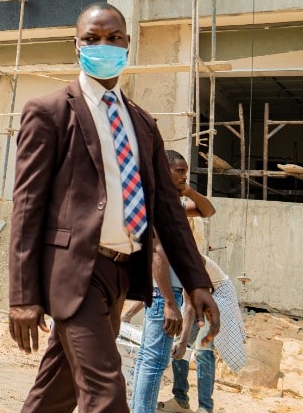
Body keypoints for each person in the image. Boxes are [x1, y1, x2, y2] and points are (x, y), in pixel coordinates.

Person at [8, 2, 220, 412]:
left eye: (112, 38)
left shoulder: (142, 122)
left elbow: (167, 210)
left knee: (58, 390)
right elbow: (27, 208)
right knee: (106, 394)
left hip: (124, 271)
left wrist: (196, 282)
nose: (102, 45)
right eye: (91, 38)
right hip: (74, 273)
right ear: (76, 45)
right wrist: (22, 295)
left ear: (127, 43)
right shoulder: (49, 113)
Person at [127, 150, 216, 413]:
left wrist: (187, 191)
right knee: (154, 361)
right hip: (164, 290)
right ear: (164, 171)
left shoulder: (172, 203)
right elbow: (157, 253)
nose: (184, 175)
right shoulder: (157, 203)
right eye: (179, 170)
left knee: (148, 358)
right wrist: (168, 302)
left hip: (164, 290)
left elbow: (207, 210)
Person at [170, 255, 248, 413]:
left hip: (220, 295)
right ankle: (180, 399)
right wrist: (182, 341)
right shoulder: (172, 263)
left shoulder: (192, 261)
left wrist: (185, 341)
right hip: (199, 299)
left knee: (202, 349)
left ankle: (205, 407)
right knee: (178, 346)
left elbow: (191, 307)